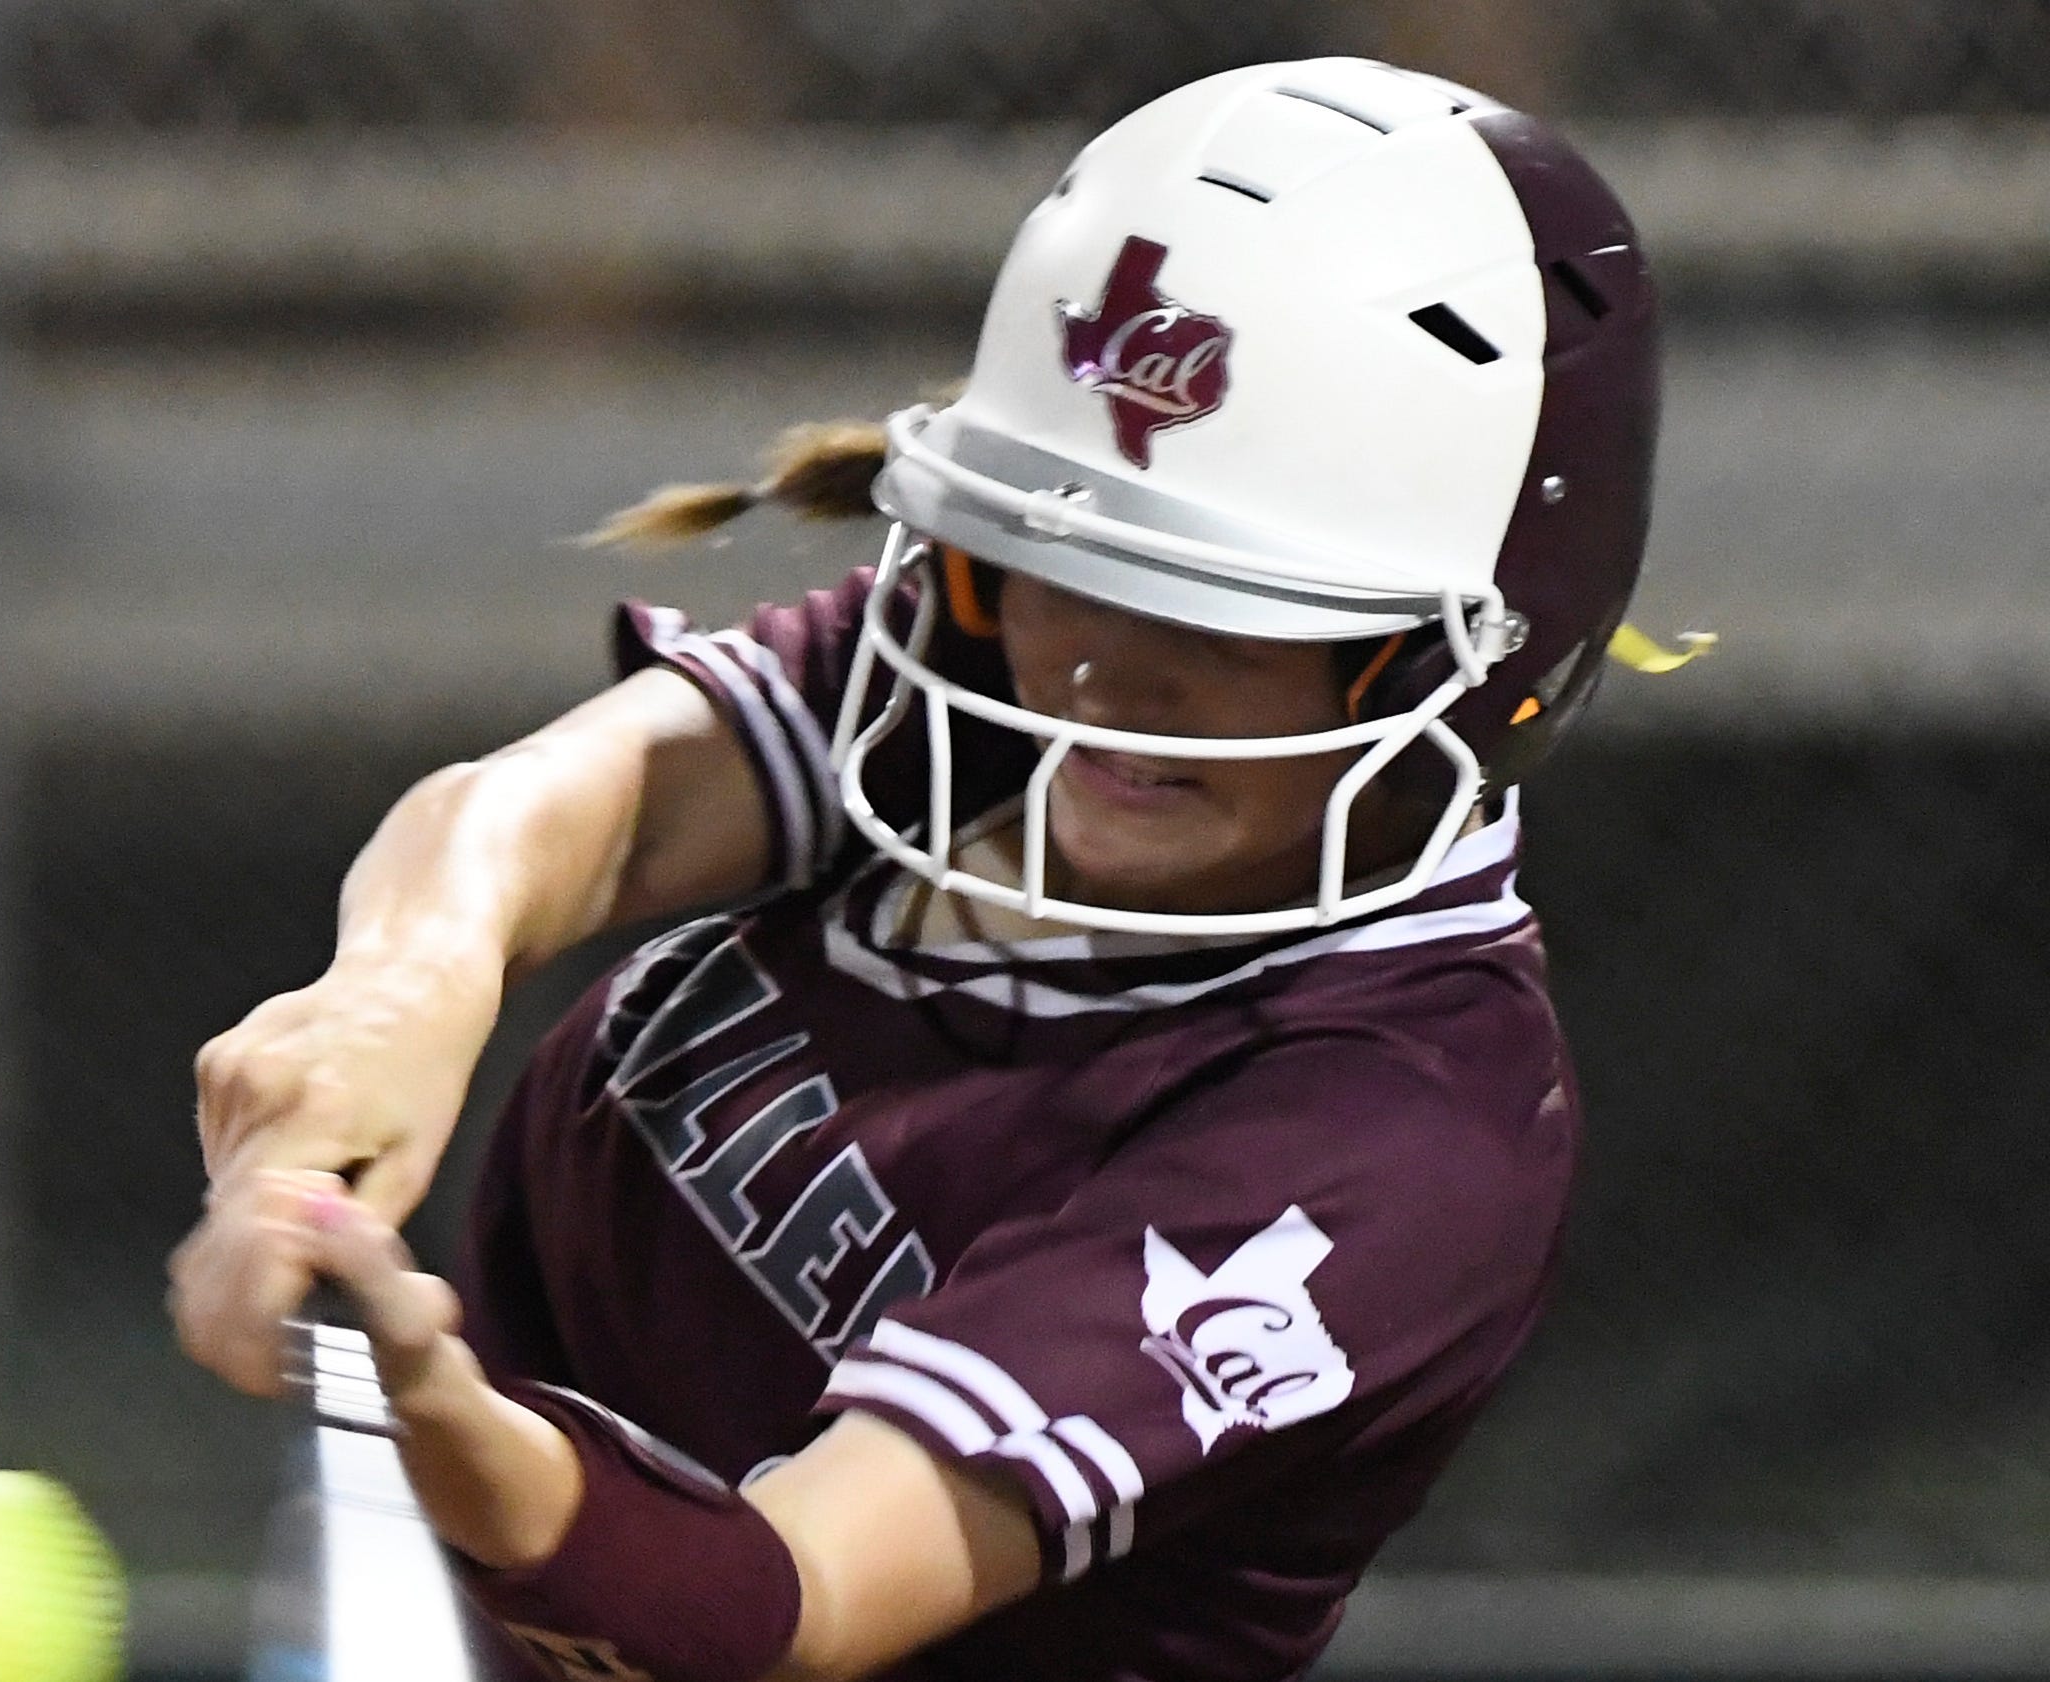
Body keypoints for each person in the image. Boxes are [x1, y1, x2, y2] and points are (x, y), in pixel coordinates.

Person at [174, 56, 1671, 1682]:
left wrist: (448, 1435)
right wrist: (403, 991)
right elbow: (579, 813)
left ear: (1465, 655)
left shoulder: (1394, 1129)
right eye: (1058, 556)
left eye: (1223, 609)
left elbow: (775, 1604)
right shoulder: (989, 693)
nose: (1101, 668)